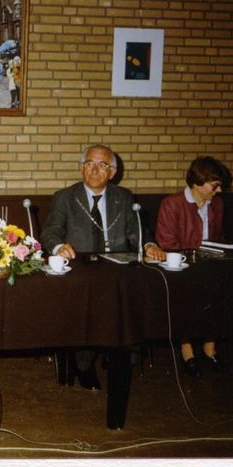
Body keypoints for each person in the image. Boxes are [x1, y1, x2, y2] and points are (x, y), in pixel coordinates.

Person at [41, 145, 166, 390]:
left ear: (112, 172)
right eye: (89, 163)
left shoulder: (124, 197)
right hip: (81, 270)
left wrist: (149, 245)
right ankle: (84, 364)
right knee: (86, 307)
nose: (95, 169)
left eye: (102, 165)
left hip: (117, 270)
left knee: (129, 301)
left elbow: (137, 232)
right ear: (81, 168)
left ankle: (120, 356)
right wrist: (58, 247)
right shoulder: (65, 197)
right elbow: (50, 232)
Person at [155, 155, 229, 377]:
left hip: (208, 265)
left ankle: (209, 347)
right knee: (189, 293)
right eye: (215, 185)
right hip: (181, 268)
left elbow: (219, 238)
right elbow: (167, 243)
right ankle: (186, 350)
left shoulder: (217, 204)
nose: (219, 190)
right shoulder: (172, 204)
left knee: (221, 289)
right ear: (198, 183)